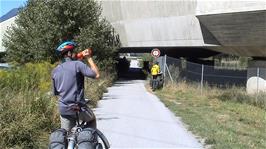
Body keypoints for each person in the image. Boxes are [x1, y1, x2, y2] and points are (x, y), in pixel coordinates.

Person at [52, 41, 100, 132]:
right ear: (69, 53)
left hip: (64, 109)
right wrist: (88, 58)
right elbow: (96, 75)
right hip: (78, 107)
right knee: (92, 119)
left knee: (65, 134)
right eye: (74, 51)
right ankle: (90, 139)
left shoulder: (55, 70)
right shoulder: (78, 64)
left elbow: (56, 92)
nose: (76, 53)